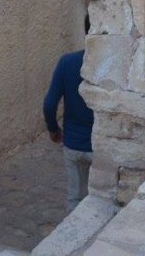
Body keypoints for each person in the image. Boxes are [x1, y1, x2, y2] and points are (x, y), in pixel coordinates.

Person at [44, 15, 95, 213]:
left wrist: (53, 129)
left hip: (72, 144)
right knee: (98, 199)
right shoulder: (112, 65)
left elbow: (49, 104)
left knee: (74, 197)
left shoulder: (67, 62)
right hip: (97, 147)